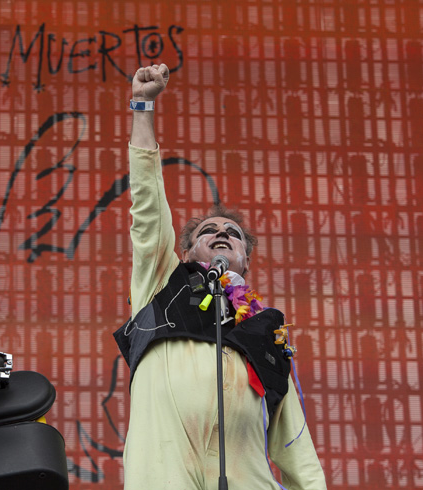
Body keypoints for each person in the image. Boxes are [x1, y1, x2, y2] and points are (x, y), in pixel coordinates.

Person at [114, 64, 327, 489]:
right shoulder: (161, 284)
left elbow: (296, 447)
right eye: (207, 231)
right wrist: (142, 107)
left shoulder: (267, 332)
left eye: (233, 233)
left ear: (246, 260)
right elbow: (148, 206)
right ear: (186, 252)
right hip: (167, 471)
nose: (221, 233)